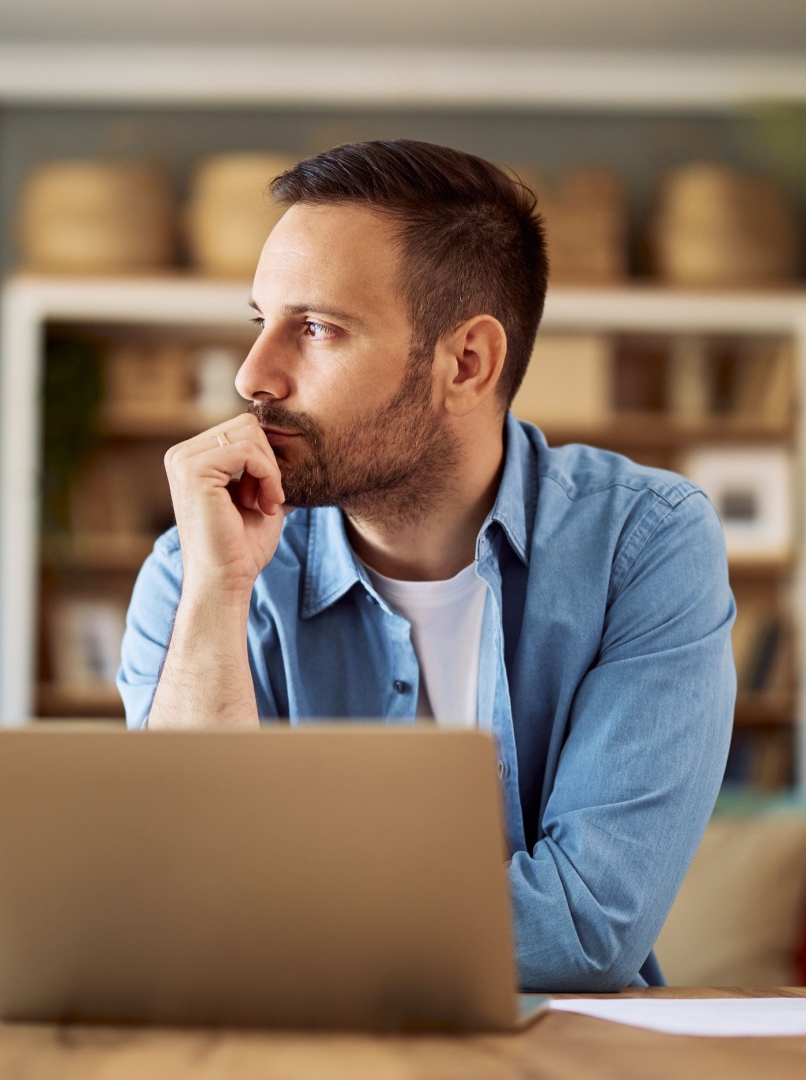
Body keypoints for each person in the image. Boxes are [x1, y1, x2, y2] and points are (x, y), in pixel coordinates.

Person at [116, 139, 735, 992]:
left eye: (318, 328)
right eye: (262, 323)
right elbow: (169, 900)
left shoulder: (645, 545)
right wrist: (216, 599)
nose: (253, 375)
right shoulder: (199, 564)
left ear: (466, 362)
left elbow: (586, 929)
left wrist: (259, 918)